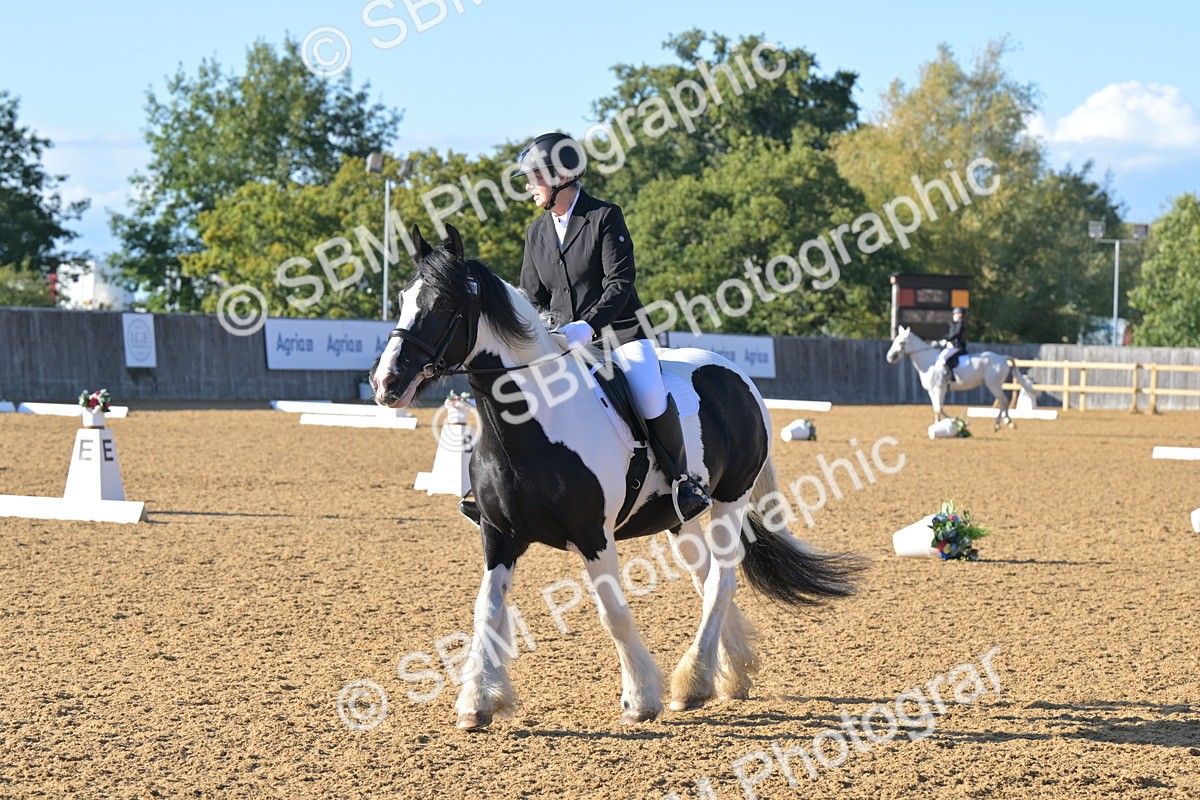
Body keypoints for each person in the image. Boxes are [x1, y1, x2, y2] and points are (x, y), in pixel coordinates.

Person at [512, 131, 711, 523]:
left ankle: (681, 482)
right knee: (518, 390)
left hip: (619, 333)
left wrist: (588, 325)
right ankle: (503, 483)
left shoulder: (604, 216)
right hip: (562, 341)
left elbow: (620, 283)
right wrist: (546, 330)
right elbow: (531, 295)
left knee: (649, 393)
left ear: (561, 177)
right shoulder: (536, 232)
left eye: (535, 177)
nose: (530, 187)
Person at [933, 307, 968, 381]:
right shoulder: (954, 324)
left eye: (955, 314)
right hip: (951, 344)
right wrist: (940, 340)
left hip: (956, 345)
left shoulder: (960, 324)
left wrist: (947, 340)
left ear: (959, 315)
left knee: (942, 357)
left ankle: (950, 376)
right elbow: (949, 335)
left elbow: (956, 334)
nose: (953, 316)